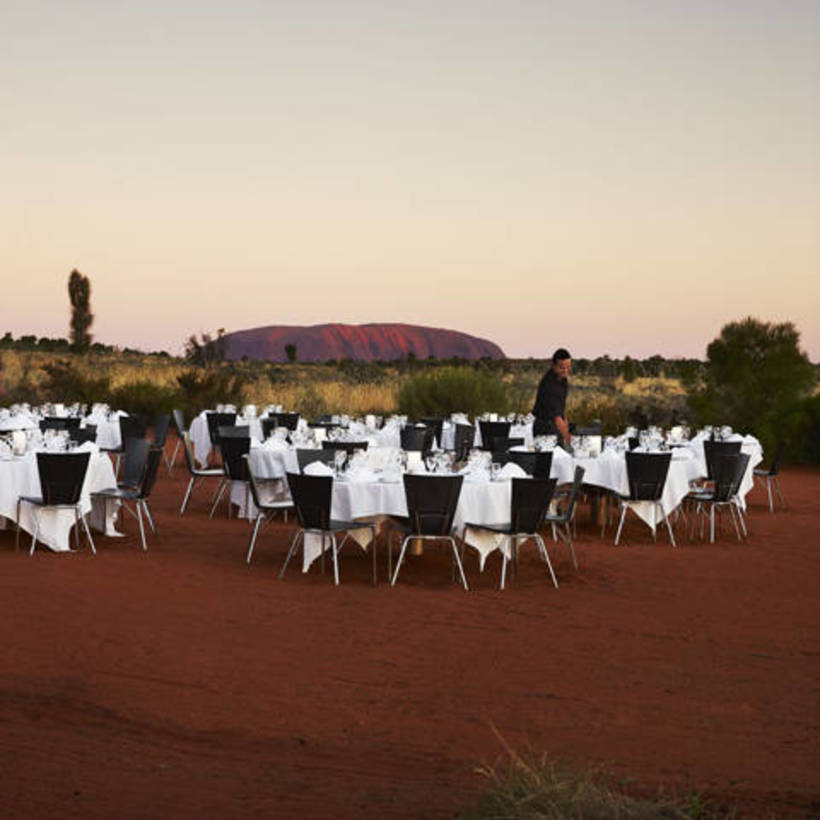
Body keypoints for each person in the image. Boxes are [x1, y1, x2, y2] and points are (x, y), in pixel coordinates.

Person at [532, 348, 571, 445]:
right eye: (562, 367)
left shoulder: (563, 380)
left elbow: (561, 408)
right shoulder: (549, 384)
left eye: (568, 367)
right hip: (544, 429)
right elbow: (557, 418)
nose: (565, 371)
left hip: (556, 426)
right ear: (554, 366)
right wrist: (569, 440)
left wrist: (566, 426)